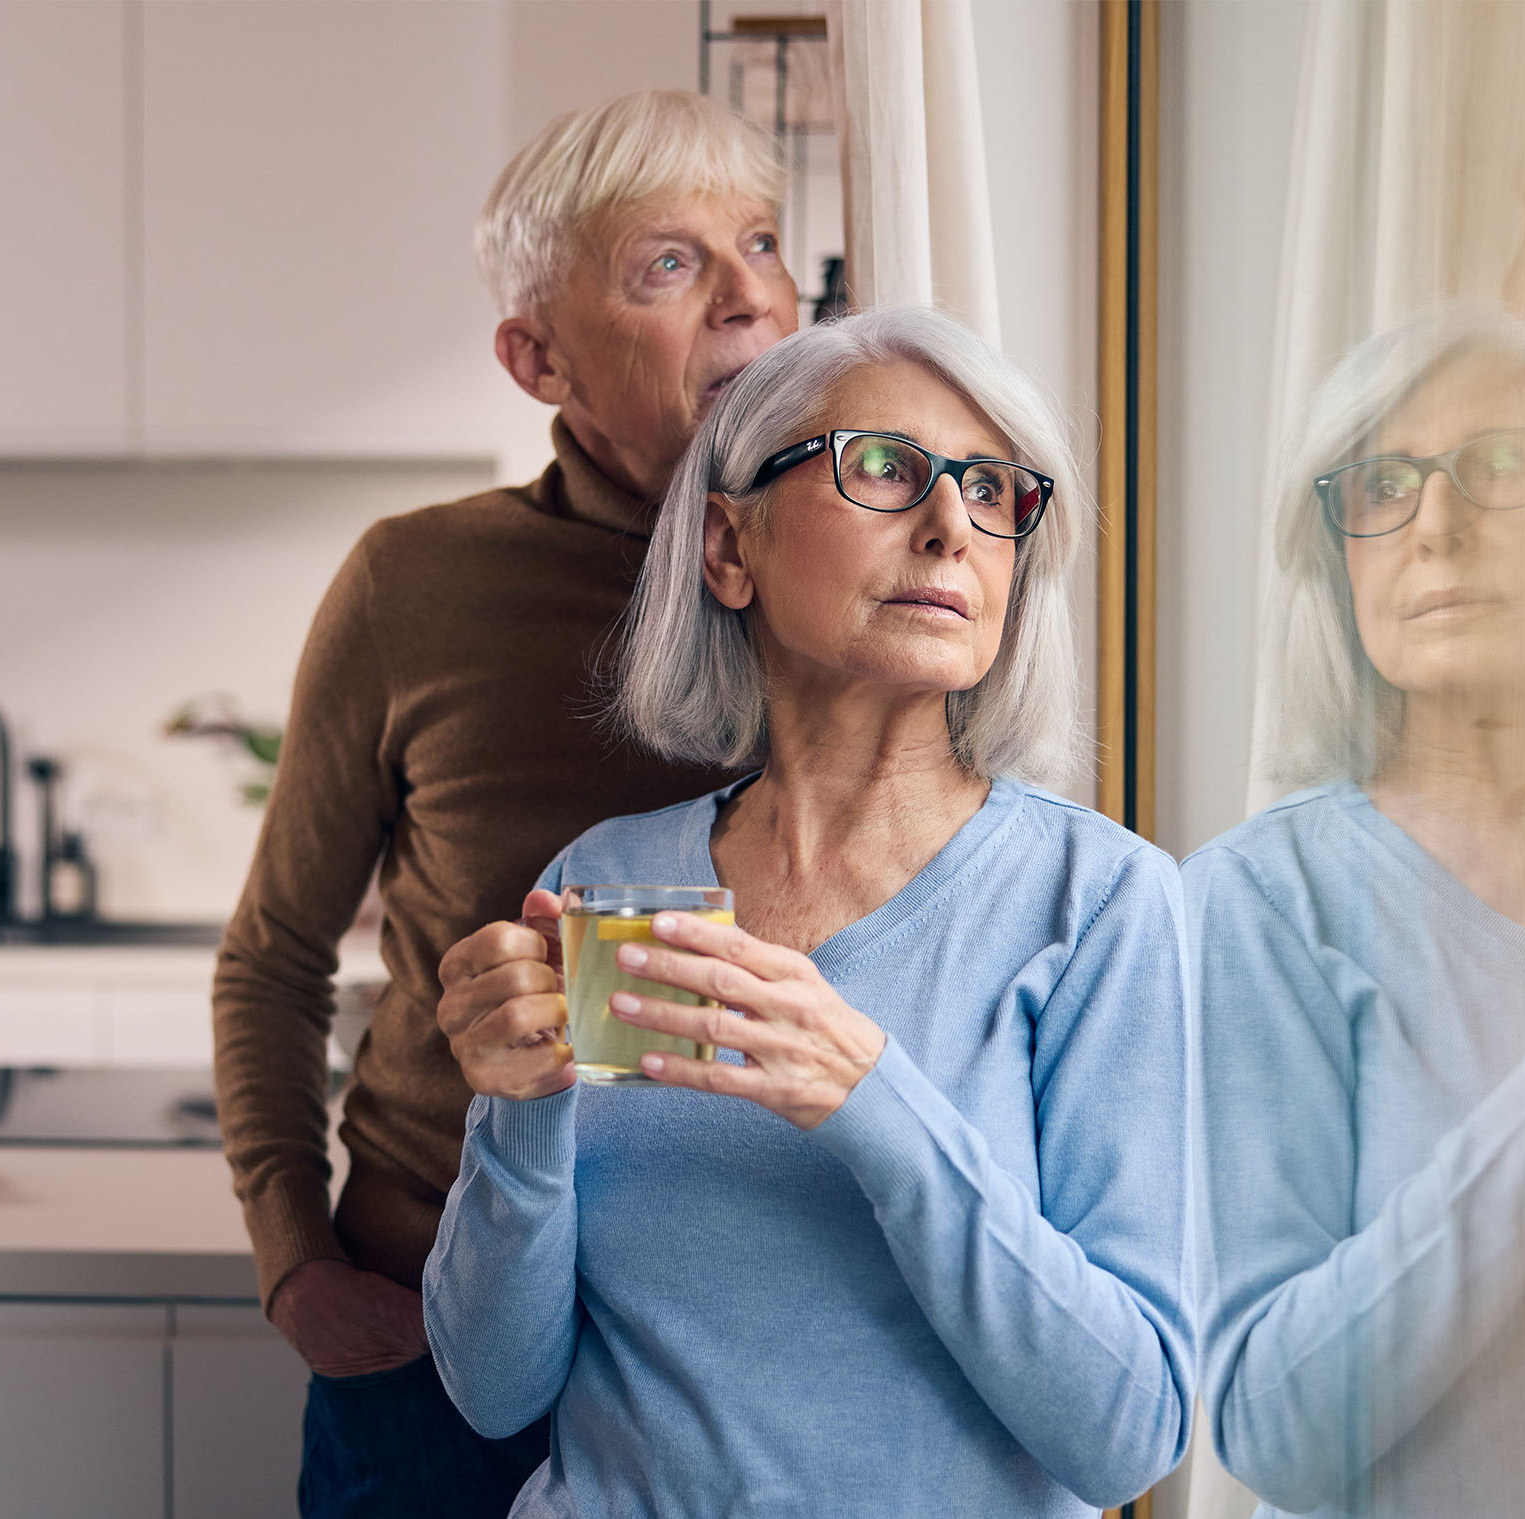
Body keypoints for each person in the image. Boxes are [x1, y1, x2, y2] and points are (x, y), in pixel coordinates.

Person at [425, 307, 1194, 1515]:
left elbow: (1127, 1434)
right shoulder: (605, 884)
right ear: (729, 546)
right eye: (883, 468)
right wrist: (516, 1118)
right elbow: (495, 1389)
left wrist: (868, 1096)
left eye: (996, 493)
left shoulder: (1094, 904)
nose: (952, 524)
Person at [210, 89, 799, 1518]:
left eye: (767, 245)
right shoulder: (411, 582)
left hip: (731, 1349)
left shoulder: (849, 569)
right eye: (668, 263)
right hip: (426, 1335)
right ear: (538, 357)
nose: (748, 299)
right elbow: (274, 961)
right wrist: (297, 1262)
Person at [1184, 306, 1525, 1518]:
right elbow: (1273, 1428)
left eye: (1503, 465)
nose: (1434, 526)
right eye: (1381, 483)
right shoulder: (1263, 904)